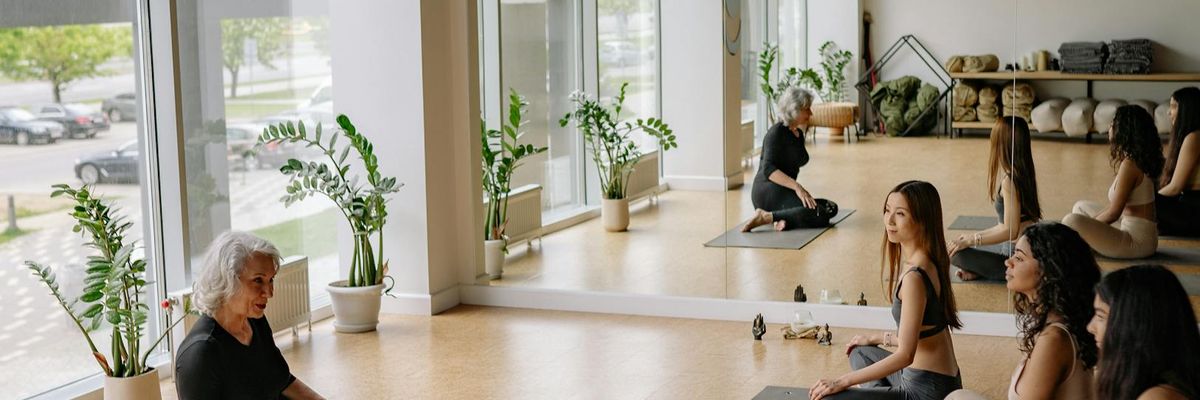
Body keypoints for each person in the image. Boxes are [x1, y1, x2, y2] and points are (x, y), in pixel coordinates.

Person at [809, 181, 962, 400]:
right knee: (859, 352)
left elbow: (906, 355)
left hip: (924, 391)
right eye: (887, 210)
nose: (889, 220)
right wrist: (875, 338)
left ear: (922, 220)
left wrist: (841, 381)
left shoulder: (914, 278)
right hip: (937, 379)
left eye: (900, 214)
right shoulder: (930, 259)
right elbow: (917, 336)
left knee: (830, 397)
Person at [947, 222, 1099, 399]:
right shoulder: (1053, 319)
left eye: (1019, 258)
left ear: (1048, 271)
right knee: (959, 396)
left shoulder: (1054, 340)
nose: (1008, 262)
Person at [175, 231, 324, 400]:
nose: (269, 293)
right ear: (228, 280)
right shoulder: (201, 353)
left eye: (271, 280)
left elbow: (281, 380)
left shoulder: (255, 323)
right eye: (258, 280)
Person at [1063, 105, 1164, 259]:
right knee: (1080, 207)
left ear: (1126, 130)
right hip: (1134, 231)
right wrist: (1090, 224)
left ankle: (1075, 245)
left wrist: (1088, 226)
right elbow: (1112, 209)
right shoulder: (1136, 159)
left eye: (1114, 123)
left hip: (1136, 242)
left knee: (1071, 220)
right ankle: (1081, 243)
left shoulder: (1130, 165)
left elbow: (1113, 213)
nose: (1110, 126)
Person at [950, 117, 1042, 281]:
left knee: (955, 254)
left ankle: (1001, 272)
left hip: (1014, 256)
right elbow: (1003, 226)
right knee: (963, 244)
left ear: (1001, 145)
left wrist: (973, 240)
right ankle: (981, 271)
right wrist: (972, 238)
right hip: (1027, 249)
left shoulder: (1010, 181)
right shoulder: (1024, 172)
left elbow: (1010, 230)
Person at [1088, 265, 1200, 400]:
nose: (1090, 327)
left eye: (1101, 316)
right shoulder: (1147, 382)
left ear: (1133, 325)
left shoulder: (1158, 397)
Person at [742, 86, 838, 232]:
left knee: (831, 208)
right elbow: (768, 170)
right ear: (795, 110)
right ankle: (765, 216)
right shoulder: (775, 133)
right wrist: (798, 188)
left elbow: (802, 159)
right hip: (767, 190)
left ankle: (781, 218)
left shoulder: (797, 133)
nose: (811, 113)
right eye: (807, 109)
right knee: (821, 214)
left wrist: (801, 134)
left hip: (785, 190)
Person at [1157, 86, 1200, 237]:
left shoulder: (1194, 137)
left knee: (1144, 199)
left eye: (1174, 106)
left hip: (1195, 212)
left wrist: (1149, 203)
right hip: (1189, 205)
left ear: (1187, 110)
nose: (1169, 112)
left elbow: (1175, 187)